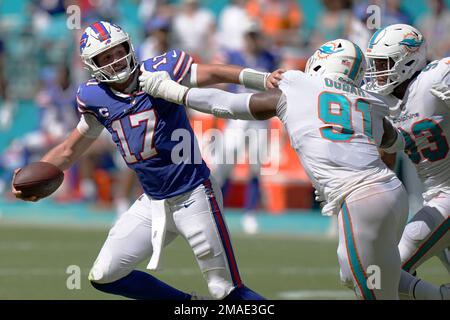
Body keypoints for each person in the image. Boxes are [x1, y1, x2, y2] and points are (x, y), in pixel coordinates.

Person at [12, 21, 282, 300]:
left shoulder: (160, 70)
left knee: (225, 291)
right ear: (93, 65)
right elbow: (69, 150)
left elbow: (211, 73)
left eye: (118, 51)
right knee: (105, 275)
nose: (115, 61)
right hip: (153, 203)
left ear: (129, 47)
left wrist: (261, 79)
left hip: (194, 195)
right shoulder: (95, 97)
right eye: (105, 57)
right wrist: (35, 175)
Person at [140, 38, 417, 299]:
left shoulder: (298, 83)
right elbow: (394, 142)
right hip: (391, 191)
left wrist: (173, 91)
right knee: (363, 275)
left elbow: (226, 103)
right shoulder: (371, 102)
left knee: (373, 288)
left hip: (361, 197)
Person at [365, 23, 450, 299]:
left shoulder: (435, 78)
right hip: (433, 198)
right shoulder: (384, 101)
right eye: (375, 65)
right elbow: (385, 157)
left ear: (407, 60)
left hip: (445, 197)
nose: (377, 73)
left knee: (384, 271)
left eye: (383, 64)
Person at [212, 19, 280, 234]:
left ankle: (250, 213)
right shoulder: (234, 56)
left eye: (255, 36)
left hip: (259, 119)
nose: (252, 41)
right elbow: (221, 82)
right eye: (249, 37)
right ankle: (217, 211)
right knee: (224, 165)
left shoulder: (268, 57)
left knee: (255, 167)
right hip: (236, 118)